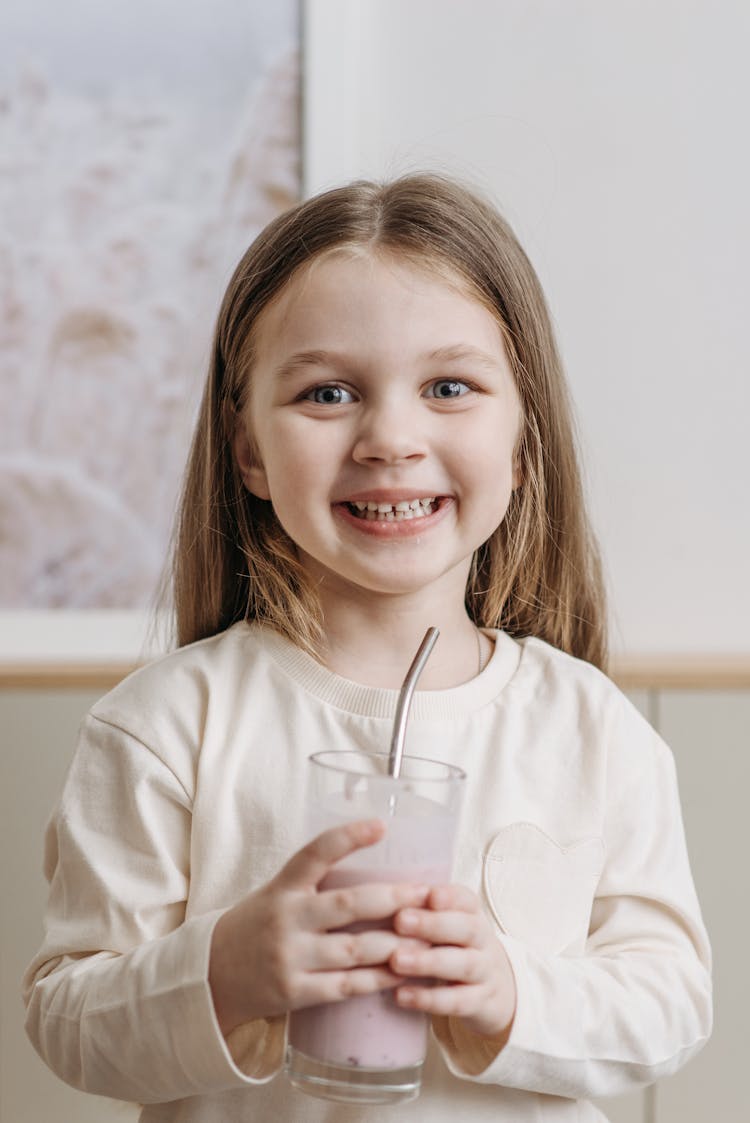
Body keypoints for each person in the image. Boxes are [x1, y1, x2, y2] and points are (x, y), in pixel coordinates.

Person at [23, 174, 712, 1122]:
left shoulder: (590, 728)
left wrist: (514, 990)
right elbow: (67, 1017)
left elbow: (672, 1005)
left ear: (522, 440)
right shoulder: (164, 726)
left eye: (449, 386)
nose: (391, 436)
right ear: (249, 450)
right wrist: (223, 971)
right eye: (328, 391)